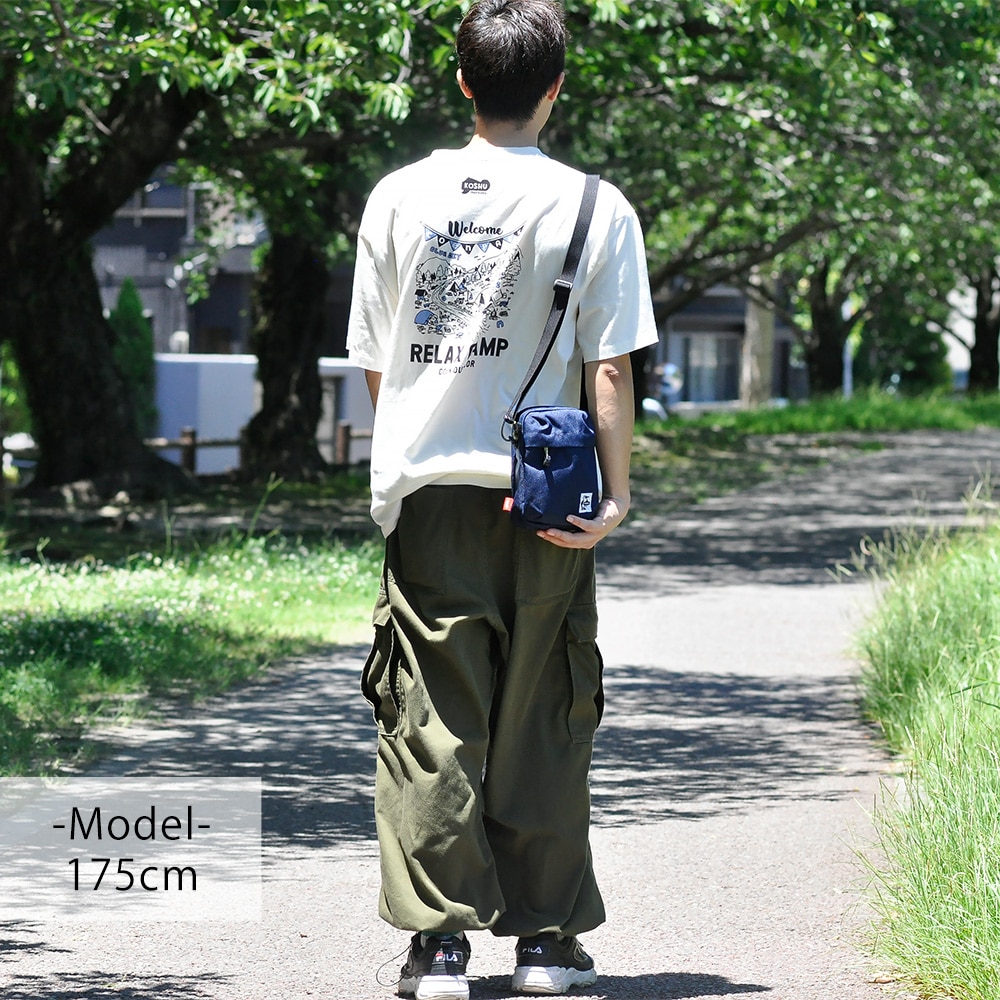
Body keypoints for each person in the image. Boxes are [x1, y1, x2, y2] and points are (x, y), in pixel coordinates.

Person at [346, 1, 658, 996]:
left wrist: (414, 452)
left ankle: (439, 945)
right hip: (546, 494)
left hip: (431, 492)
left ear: (463, 82)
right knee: (544, 713)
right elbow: (608, 370)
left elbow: (378, 361)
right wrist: (615, 497)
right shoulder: (595, 207)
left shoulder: (399, 196)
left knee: (431, 715)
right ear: (555, 87)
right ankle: (545, 942)